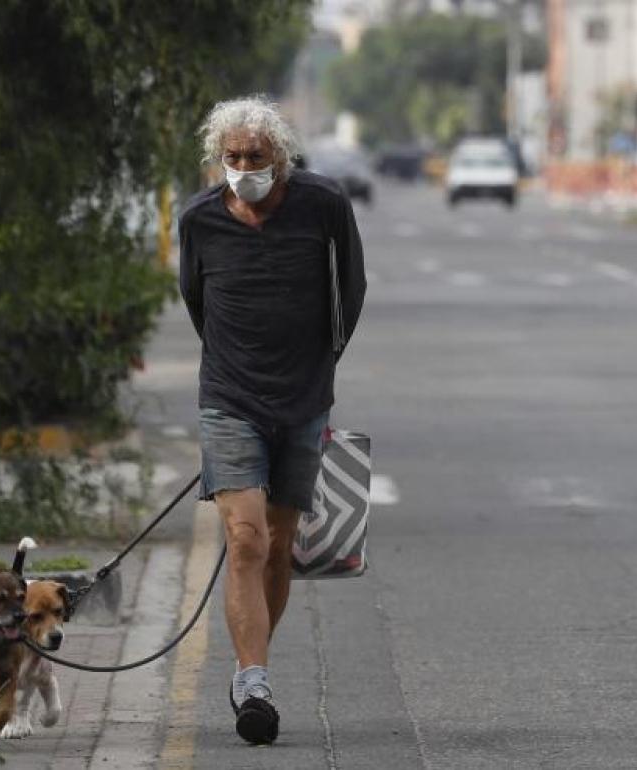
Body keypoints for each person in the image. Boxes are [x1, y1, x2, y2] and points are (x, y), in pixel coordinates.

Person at [177, 95, 366, 745]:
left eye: (256, 157)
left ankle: (247, 664)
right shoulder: (200, 220)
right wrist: (236, 368)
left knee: (281, 545)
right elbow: (196, 301)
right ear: (217, 160)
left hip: (305, 401)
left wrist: (320, 365)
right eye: (232, 158)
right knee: (247, 538)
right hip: (230, 399)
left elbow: (352, 291)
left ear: (281, 158)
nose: (244, 168)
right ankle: (255, 682)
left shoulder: (324, 206)